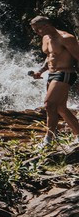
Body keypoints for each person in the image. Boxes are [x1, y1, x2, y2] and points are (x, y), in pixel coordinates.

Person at [28, 16, 79, 145]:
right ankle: (77, 134)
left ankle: (48, 139)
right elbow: (50, 56)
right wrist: (40, 71)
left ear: (46, 25)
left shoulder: (66, 38)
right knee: (60, 108)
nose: (37, 32)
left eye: (38, 29)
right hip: (52, 74)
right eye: (35, 30)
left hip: (65, 73)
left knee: (49, 104)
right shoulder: (45, 38)